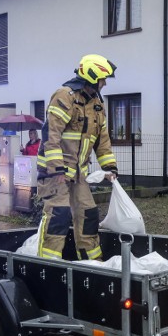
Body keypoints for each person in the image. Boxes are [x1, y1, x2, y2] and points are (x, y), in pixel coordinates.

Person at [36, 54, 118, 261]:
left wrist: (110, 168)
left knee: (89, 216)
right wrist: (56, 169)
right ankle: (48, 264)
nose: (105, 83)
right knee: (59, 216)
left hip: (79, 174)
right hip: (56, 174)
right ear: (92, 78)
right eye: (103, 79)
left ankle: (93, 265)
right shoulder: (65, 97)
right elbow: (50, 135)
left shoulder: (97, 105)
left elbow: (102, 140)